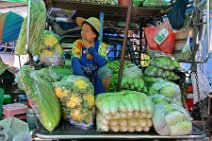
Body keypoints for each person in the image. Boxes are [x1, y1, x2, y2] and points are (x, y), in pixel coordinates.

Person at [71, 17, 112, 95]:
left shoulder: (101, 46)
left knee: (106, 71)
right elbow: (75, 61)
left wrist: (90, 48)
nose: (83, 33)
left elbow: (102, 63)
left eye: (86, 31)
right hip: (81, 75)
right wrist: (83, 81)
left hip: (95, 76)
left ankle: (101, 96)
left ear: (94, 34)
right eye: (82, 30)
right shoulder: (78, 43)